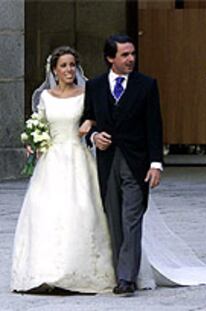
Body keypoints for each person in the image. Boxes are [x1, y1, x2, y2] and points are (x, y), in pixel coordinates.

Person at [10, 46, 116, 293]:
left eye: (72, 65)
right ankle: (45, 272)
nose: (69, 70)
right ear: (54, 71)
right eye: (64, 66)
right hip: (51, 161)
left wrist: (90, 121)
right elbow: (40, 124)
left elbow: (101, 116)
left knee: (81, 210)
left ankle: (78, 271)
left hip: (77, 158)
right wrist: (32, 140)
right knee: (45, 211)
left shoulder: (86, 93)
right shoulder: (46, 97)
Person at [82, 34, 163, 296]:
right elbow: (86, 120)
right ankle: (121, 270)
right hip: (107, 163)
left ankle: (127, 278)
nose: (131, 59)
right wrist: (94, 137)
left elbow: (154, 126)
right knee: (114, 218)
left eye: (132, 54)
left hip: (136, 162)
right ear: (110, 58)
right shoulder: (94, 86)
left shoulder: (146, 85)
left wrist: (156, 164)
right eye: (125, 55)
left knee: (132, 218)